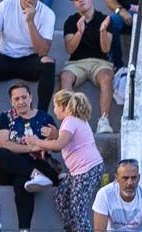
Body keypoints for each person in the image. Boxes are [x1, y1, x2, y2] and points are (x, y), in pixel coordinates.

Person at [22, 90, 103, 232]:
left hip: (87, 169)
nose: (54, 110)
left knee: (78, 206)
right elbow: (63, 141)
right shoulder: (73, 121)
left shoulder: (70, 121)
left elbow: (59, 144)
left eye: (55, 106)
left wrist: (37, 141)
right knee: (60, 196)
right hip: (79, 171)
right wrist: (53, 136)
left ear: (63, 106)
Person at [0, 82, 57, 232]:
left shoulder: (44, 117)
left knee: (23, 181)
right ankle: (34, 175)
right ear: (11, 101)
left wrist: (53, 135)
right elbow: (4, 144)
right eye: (16, 99)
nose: (21, 102)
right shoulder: (6, 117)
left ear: (31, 97)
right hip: (7, 169)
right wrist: (31, 148)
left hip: (35, 165)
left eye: (24, 97)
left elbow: (56, 142)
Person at [0, 0, 56, 132]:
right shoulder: (6, 5)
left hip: (30, 60)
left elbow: (42, 51)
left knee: (48, 62)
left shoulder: (47, 13)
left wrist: (30, 21)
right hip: (5, 57)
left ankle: (41, 116)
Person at [61, 0, 114, 135]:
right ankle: (71, 120)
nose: (81, 1)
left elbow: (106, 48)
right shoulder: (71, 21)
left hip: (100, 62)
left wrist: (102, 31)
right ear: (74, 3)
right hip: (76, 62)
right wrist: (79, 32)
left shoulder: (104, 19)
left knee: (107, 76)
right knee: (65, 76)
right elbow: (69, 49)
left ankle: (103, 120)